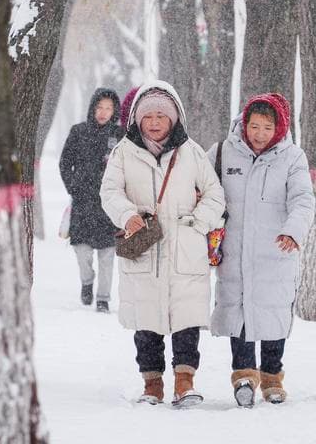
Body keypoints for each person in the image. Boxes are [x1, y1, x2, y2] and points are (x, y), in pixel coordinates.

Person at [100, 80, 225, 408]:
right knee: (146, 322)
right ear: (137, 119)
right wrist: (127, 214)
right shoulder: (123, 152)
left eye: (161, 116)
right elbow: (109, 192)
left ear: (174, 118)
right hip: (144, 248)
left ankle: (185, 383)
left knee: (186, 320)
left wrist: (197, 224)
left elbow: (215, 194)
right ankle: (152, 384)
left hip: (185, 249)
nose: (154, 122)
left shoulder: (192, 152)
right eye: (148, 116)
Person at [209, 93, 315, 407]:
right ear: (244, 123)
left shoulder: (293, 157)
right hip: (236, 250)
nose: (259, 133)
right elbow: (200, 188)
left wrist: (293, 231)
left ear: (279, 127)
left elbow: (303, 200)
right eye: (254, 126)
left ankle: (271, 377)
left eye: (267, 127)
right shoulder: (223, 152)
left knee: (272, 311)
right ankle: (243, 375)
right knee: (238, 309)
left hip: (276, 250)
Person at [59, 87, 123, 313]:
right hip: (83, 202)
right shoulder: (79, 132)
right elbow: (65, 163)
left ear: (115, 110)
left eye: (109, 108)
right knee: (82, 251)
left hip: (108, 205)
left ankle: (103, 298)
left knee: (107, 253)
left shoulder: (120, 136)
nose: (104, 112)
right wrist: (73, 187)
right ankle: (87, 282)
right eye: (100, 107)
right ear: (92, 108)